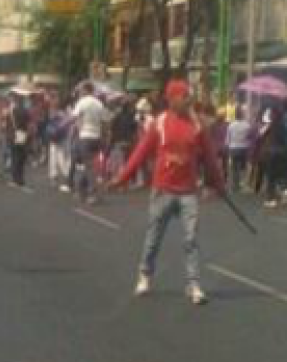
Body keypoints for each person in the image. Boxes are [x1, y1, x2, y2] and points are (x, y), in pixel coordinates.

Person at [110, 80, 226, 305]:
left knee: (191, 239)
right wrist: (122, 177)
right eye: (184, 96)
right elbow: (140, 153)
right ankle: (145, 274)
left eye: (188, 96)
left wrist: (219, 184)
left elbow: (210, 158)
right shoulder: (159, 123)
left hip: (188, 192)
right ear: (172, 99)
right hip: (162, 189)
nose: (188, 100)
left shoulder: (197, 124)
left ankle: (193, 284)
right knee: (154, 238)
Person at [71, 83, 108, 202]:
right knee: (88, 165)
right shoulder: (99, 104)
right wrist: (104, 137)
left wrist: (76, 130)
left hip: (85, 136)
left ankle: (92, 194)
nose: (80, 92)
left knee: (88, 166)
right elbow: (104, 123)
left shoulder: (82, 102)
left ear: (86, 90)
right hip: (97, 137)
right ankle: (80, 191)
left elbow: (75, 118)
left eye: (82, 90)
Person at [224, 109, 253, 192]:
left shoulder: (231, 125)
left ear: (235, 115)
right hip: (244, 147)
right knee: (243, 167)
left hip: (233, 147)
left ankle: (235, 184)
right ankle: (243, 184)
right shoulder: (247, 125)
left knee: (234, 167)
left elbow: (227, 138)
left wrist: (227, 146)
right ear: (242, 115)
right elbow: (249, 137)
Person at [8, 93, 32, 186]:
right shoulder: (26, 111)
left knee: (15, 156)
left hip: (14, 134)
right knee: (22, 157)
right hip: (23, 134)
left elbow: (8, 123)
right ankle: (21, 179)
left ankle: (15, 179)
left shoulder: (12, 111)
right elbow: (29, 124)